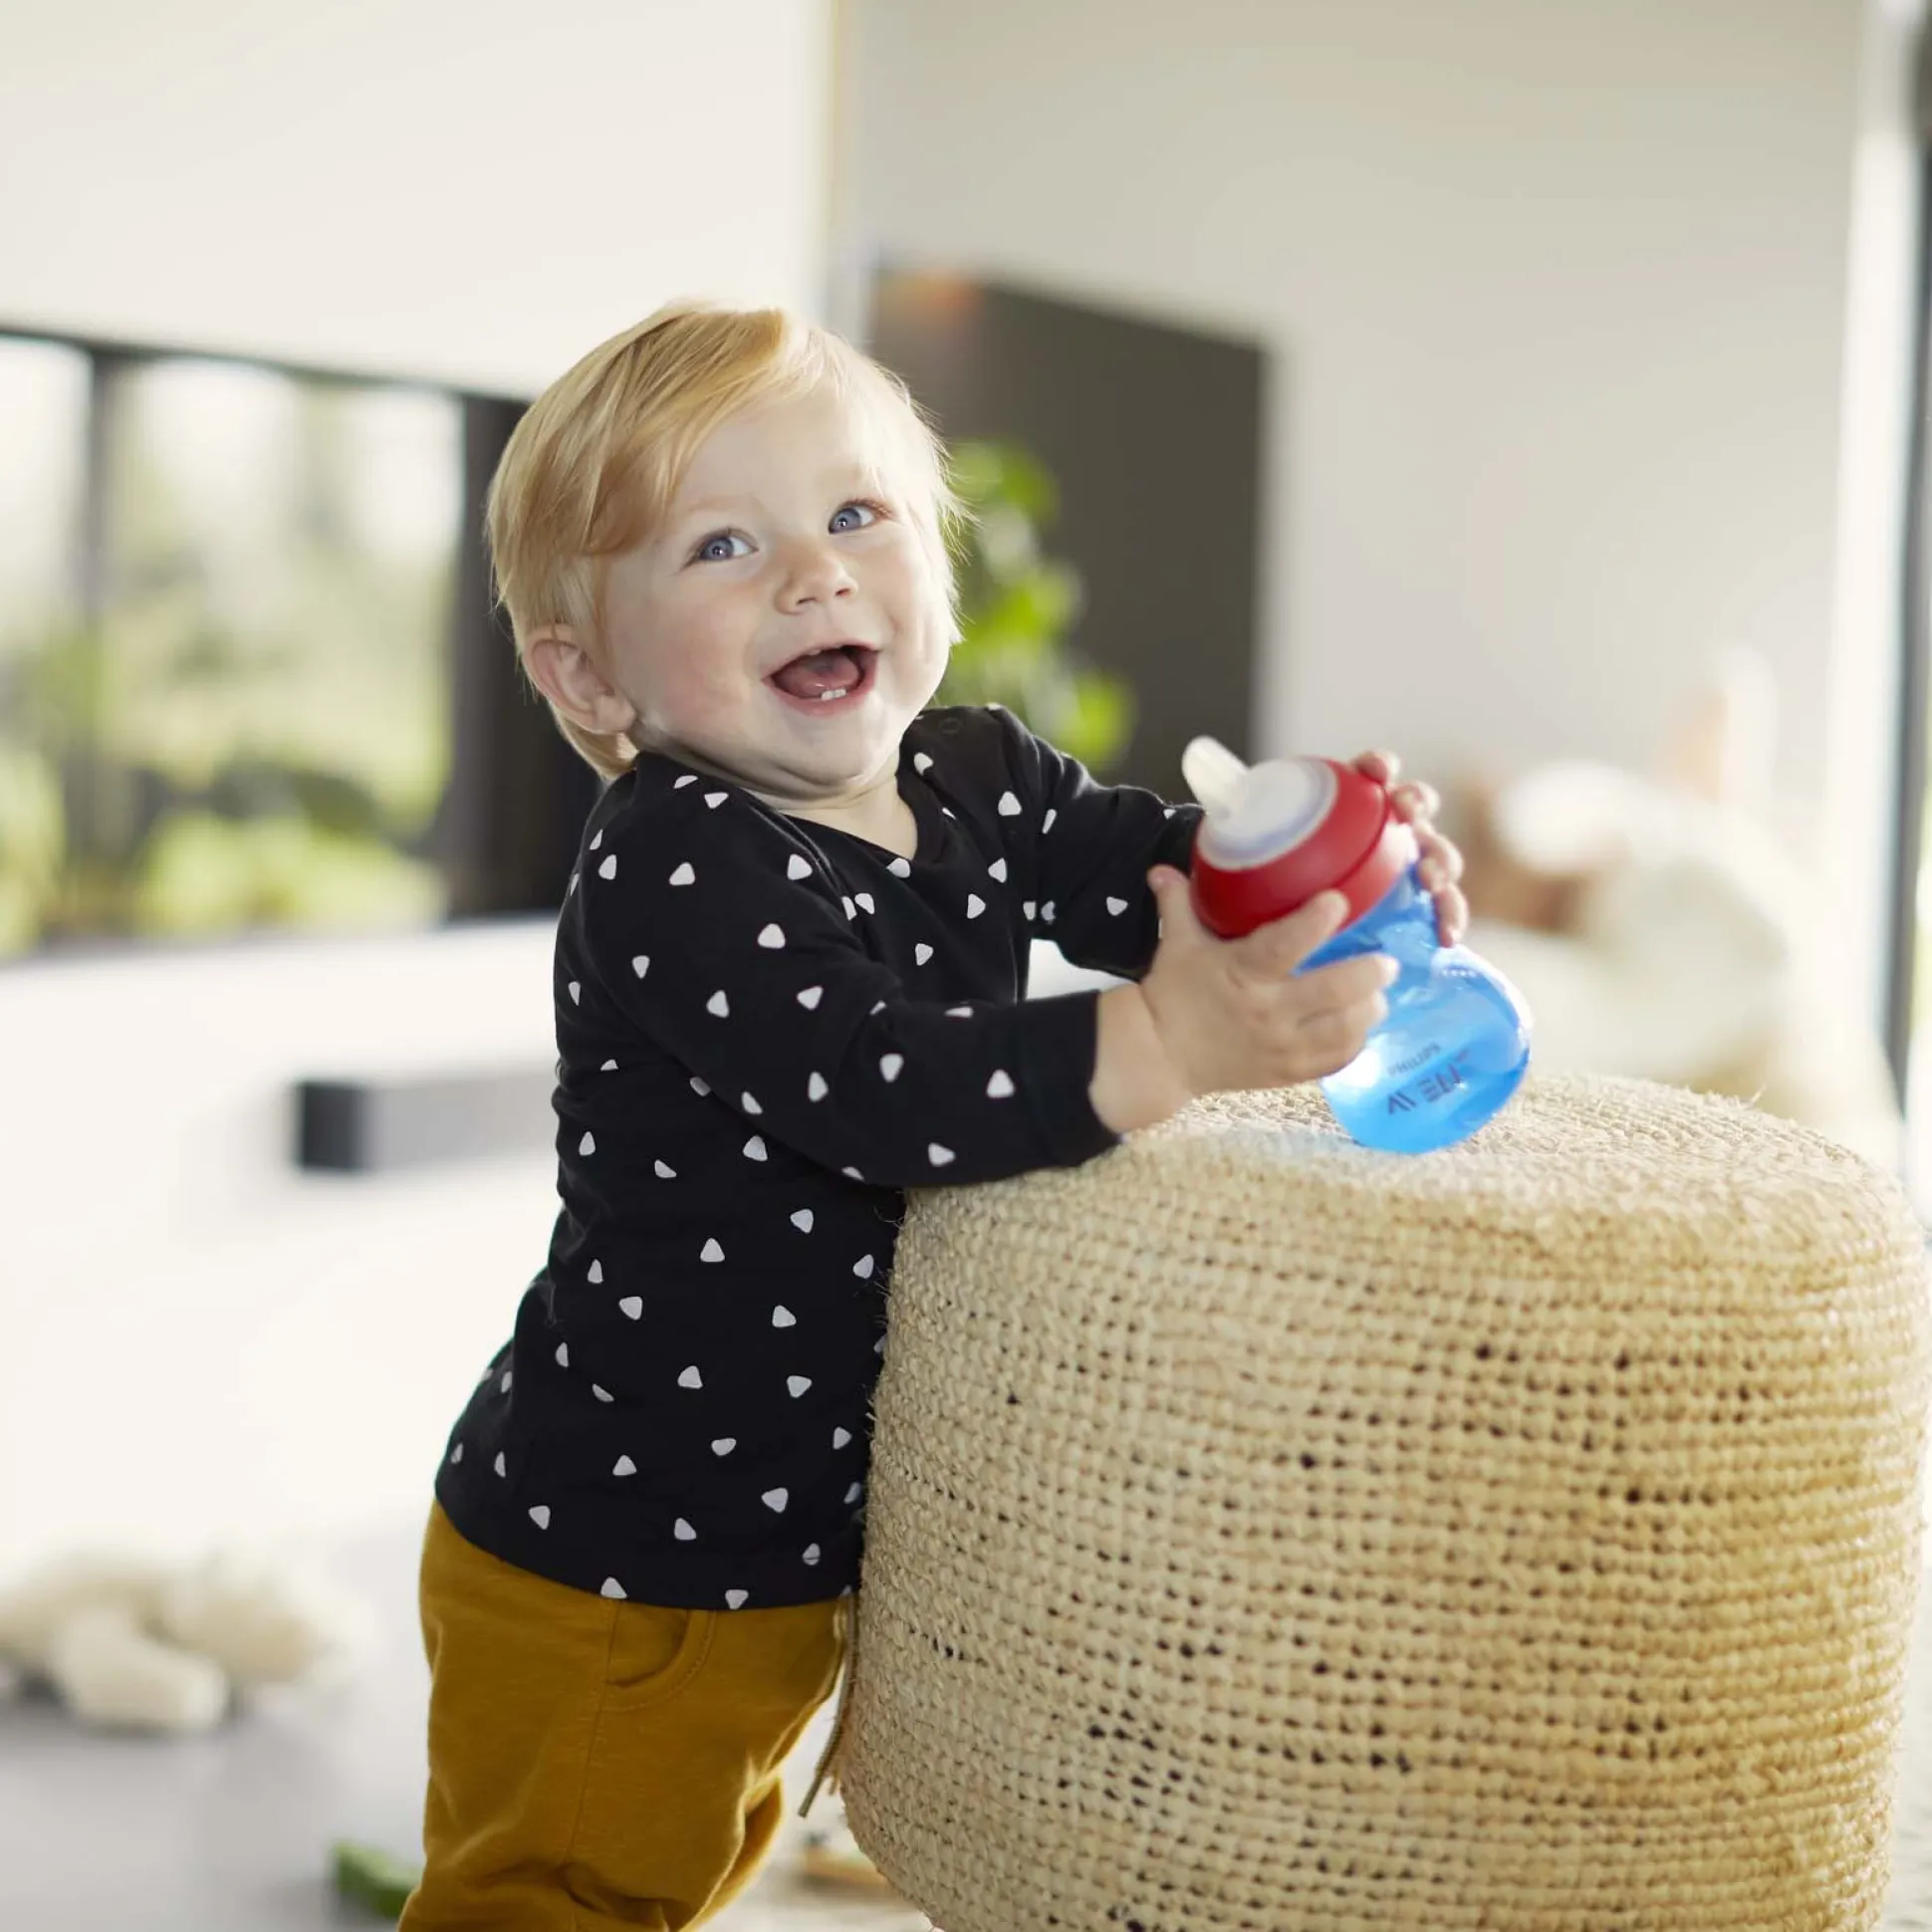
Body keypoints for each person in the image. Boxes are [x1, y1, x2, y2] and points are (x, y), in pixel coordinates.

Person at [400, 301, 1468, 1930]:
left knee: (686, 1870)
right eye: (722, 546)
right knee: (561, 1898)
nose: (812, 576)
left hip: (783, 1546)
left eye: (854, 515)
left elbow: (1150, 873)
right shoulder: (675, 857)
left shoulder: (975, 775)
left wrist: (1308, 876)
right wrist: (1169, 1040)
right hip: (619, 1553)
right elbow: (886, 1087)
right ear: (588, 673)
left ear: (937, 571)